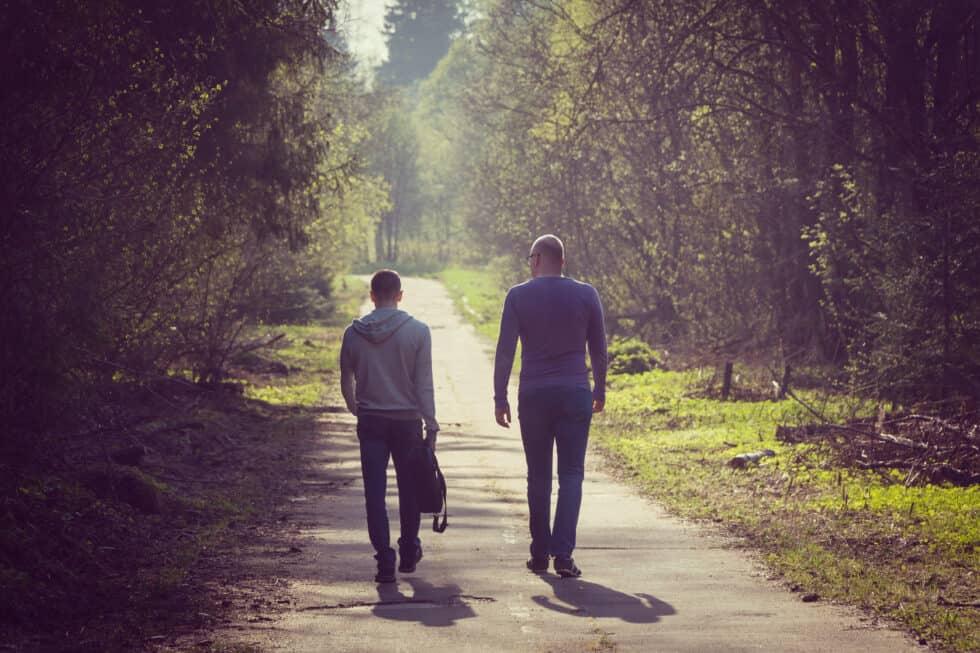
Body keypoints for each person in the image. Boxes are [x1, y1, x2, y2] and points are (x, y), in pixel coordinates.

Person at [493, 234, 607, 579]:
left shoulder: (518, 296)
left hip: (535, 394)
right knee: (571, 474)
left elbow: (505, 350)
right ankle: (563, 555)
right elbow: (599, 348)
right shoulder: (586, 294)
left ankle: (540, 552)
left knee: (539, 475)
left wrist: (499, 396)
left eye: (531, 257)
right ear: (563, 261)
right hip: (575, 392)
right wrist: (599, 388)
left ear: (538, 259)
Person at [340, 270, 439, 583]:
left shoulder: (353, 334)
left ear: (372, 295)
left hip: (371, 421)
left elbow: (347, 379)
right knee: (409, 489)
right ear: (400, 295)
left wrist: (358, 408)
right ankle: (409, 550)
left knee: (374, 492)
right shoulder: (419, 332)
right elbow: (424, 384)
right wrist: (431, 424)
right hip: (407, 422)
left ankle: (384, 558)